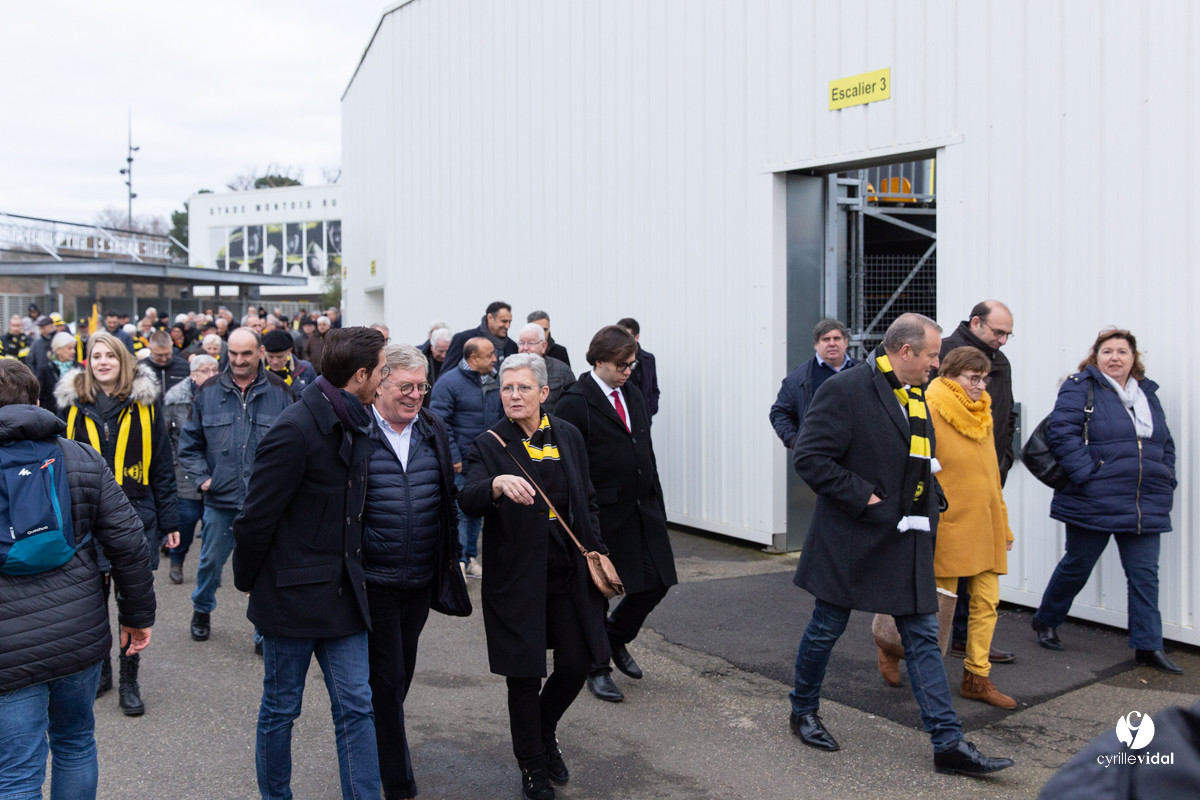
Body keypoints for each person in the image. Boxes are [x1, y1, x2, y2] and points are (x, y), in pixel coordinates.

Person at [788, 313, 1013, 776]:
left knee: (924, 639)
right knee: (826, 628)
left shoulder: (915, 396)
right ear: (905, 351)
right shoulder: (846, 389)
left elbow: (921, 461)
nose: (937, 363)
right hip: (851, 537)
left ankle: (947, 743)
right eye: (932, 355)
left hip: (906, 538)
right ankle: (803, 710)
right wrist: (865, 496)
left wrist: (934, 499)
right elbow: (810, 458)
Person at [233, 326, 388, 800]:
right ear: (360, 375)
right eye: (381, 371)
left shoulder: (358, 418)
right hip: (291, 600)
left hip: (344, 598)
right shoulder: (295, 430)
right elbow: (254, 519)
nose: (383, 380)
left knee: (357, 708)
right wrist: (253, 585)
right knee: (282, 709)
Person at [0, 359, 157, 800]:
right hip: (78, 634)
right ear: (36, 400)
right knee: (74, 743)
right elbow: (129, 541)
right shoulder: (79, 456)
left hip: (8, 649)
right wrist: (137, 615)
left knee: (16, 771)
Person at [458, 353, 612, 800]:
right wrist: (495, 486)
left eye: (523, 388)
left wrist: (597, 547)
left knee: (576, 664)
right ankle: (532, 766)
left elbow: (587, 498)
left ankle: (544, 729)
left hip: (570, 573)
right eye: (507, 388)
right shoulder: (488, 444)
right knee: (524, 676)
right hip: (518, 580)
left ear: (544, 393)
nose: (514, 396)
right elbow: (468, 498)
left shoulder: (566, 435)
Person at [1032, 328, 1180, 674]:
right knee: (1077, 565)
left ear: (1134, 358)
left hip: (1144, 499)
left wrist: (1166, 474)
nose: (1115, 357)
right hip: (1093, 497)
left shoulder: (1146, 393)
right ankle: (1046, 619)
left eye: (1122, 351)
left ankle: (1148, 645)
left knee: (1145, 574)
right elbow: (1062, 433)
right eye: (1108, 351)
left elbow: (1164, 442)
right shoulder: (1079, 386)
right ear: (1095, 356)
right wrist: (1089, 475)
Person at [54, 331, 179, 716]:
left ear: (123, 361)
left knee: (131, 601)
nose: (103, 361)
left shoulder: (145, 405)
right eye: (96, 356)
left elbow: (162, 466)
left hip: (134, 517)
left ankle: (129, 678)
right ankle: (103, 671)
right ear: (87, 362)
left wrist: (170, 519)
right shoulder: (71, 407)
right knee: (91, 605)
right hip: (83, 520)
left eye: (110, 355)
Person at [555, 325, 677, 704]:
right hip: (601, 513)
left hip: (644, 507)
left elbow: (645, 448)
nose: (628, 370)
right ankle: (597, 667)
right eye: (622, 365)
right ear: (599, 361)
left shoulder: (634, 393)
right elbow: (566, 466)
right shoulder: (574, 402)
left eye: (632, 364)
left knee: (658, 580)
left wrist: (657, 498)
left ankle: (615, 637)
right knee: (598, 591)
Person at [366, 343, 462, 800]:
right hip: (374, 580)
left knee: (400, 675)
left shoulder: (432, 427)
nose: (415, 395)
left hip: (420, 578)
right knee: (385, 679)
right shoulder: (358, 430)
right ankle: (396, 781)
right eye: (405, 386)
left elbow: (445, 494)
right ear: (380, 384)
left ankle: (370, 741)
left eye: (422, 386)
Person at [177, 329, 293, 647]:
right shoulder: (209, 391)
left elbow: (293, 447)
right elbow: (190, 443)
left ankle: (262, 626)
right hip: (220, 499)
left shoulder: (281, 391)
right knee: (211, 562)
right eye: (233, 354)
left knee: (266, 568)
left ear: (260, 353)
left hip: (263, 502)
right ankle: (201, 609)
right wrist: (203, 478)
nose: (239, 361)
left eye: (246, 354)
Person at [915, 346, 1016, 709]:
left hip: (986, 521)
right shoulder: (928, 406)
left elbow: (991, 476)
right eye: (974, 377)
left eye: (984, 377)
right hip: (949, 522)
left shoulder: (983, 413)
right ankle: (901, 655)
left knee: (987, 601)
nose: (981, 385)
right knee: (939, 607)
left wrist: (1002, 525)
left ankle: (977, 676)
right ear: (950, 374)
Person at [940, 300, 1018, 663]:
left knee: (983, 582)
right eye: (998, 332)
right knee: (949, 580)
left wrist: (1004, 458)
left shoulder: (999, 363)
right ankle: (934, 645)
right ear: (976, 323)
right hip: (950, 493)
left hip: (988, 477)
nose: (1003, 340)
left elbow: (1005, 411)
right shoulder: (943, 354)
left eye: (1007, 334)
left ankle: (973, 655)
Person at [430, 337, 503, 579]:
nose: (494, 359)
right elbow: (440, 422)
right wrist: (453, 455)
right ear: (473, 358)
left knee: (478, 510)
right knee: (460, 510)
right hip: (460, 461)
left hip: (484, 461)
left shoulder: (493, 382)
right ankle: (458, 559)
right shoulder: (449, 383)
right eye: (489, 354)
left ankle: (470, 557)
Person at [163, 354, 221, 586]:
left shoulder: (223, 395)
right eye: (204, 371)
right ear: (192, 374)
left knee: (212, 523)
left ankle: (207, 569)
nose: (210, 375)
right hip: (184, 467)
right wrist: (173, 463)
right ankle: (176, 561)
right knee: (185, 519)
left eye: (213, 370)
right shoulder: (175, 399)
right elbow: (166, 436)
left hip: (215, 468)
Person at [769, 318, 857, 448]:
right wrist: (794, 441)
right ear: (815, 344)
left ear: (846, 342)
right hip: (818, 454)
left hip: (856, 453)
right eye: (825, 339)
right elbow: (780, 412)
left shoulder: (863, 372)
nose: (832, 344)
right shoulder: (799, 378)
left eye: (837, 338)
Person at [516, 323, 575, 412]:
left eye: (531, 343)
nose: (525, 348)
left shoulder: (562, 371)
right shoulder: (509, 370)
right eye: (521, 343)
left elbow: (572, 406)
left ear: (543, 346)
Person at [445, 301, 518, 369]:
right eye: (504, 321)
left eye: (510, 322)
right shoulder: (463, 339)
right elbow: (446, 376)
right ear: (490, 317)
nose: (508, 326)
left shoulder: (512, 346)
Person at [615, 318, 660, 419]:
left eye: (626, 336)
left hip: (643, 417)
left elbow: (653, 388)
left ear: (637, 337)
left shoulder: (649, 359)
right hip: (622, 416)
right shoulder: (613, 360)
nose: (622, 340)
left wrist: (651, 409)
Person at [262, 329, 317, 393]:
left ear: (289, 351)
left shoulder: (306, 369)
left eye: (280, 357)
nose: (275, 362)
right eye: (270, 357)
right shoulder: (256, 371)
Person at [37, 331, 78, 416]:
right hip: (52, 418)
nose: (73, 351)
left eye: (74, 348)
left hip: (75, 417)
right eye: (69, 348)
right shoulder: (45, 370)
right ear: (58, 350)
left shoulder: (79, 368)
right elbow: (40, 397)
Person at [145, 331, 190, 397]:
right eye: (159, 355)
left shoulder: (185, 367)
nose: (164, 359)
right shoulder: (141, 368)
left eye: (167, 354)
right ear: (150, 349)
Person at [419, 326, 452, 407]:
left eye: (447, 351)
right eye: (440, 351)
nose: (444, 355)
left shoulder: (455, 360)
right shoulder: (420, 363)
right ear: (431, 347)